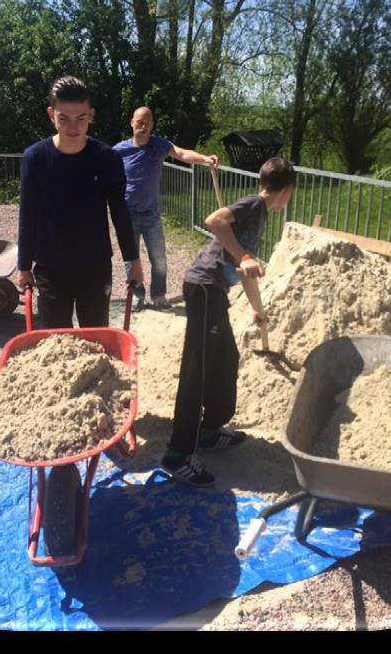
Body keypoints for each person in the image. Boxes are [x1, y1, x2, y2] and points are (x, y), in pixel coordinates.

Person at [160, 157, 297, 487]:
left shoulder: (259, 215)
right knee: (199, 370)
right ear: (287, 190)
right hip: (203, 287)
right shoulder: (254, 204)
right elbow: (215, 220)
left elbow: (242, 267)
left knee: (226, 360)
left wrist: (257, 308)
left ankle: (209, 432)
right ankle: (177, 455)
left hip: (214, 290)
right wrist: (244, 255)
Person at [17, 75, 143, 328]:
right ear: (51, 113)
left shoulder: (106, 159)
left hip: (94, 265)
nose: (73, 127)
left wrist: (134, 261)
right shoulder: (36, 158)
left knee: (95, 334)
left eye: (81, 118)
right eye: (64, 118)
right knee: (56, 338)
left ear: (91, 114)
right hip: (50, 266)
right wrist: (23, 266)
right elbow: (28, 215)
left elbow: (119, 212)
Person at [113, 106, 219, 311]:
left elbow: (181, 153)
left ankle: (159, 296)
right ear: (132, 123)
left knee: (159, 258)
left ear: (151, 125)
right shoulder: (119, 151)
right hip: (128, 214)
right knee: (130, 258)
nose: (143, 126)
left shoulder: (159, 145)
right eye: (139, 122)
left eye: (147, 123)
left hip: (151, 213)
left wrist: (205, 158)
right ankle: (137, 295)